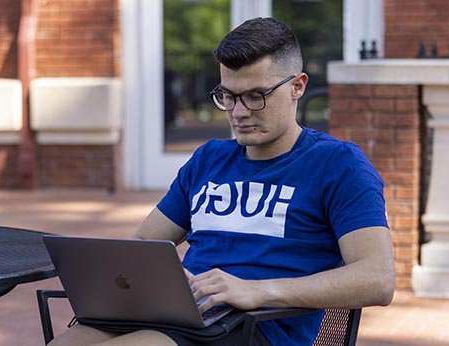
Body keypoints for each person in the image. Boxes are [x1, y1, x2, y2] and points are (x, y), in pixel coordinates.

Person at [49, 17, 395, 346]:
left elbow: (377, 279)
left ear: (297, 87)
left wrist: (258, 290)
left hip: (255, 328)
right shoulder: (209, 159)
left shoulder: (338, 165)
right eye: (228, 96)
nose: (239, 112)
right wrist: (152, 284)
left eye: (256, 96)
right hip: (183, 316)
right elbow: (143, 242)